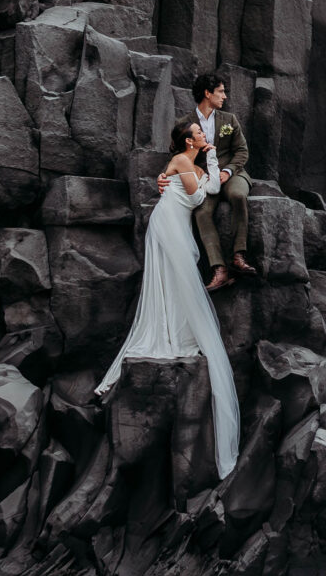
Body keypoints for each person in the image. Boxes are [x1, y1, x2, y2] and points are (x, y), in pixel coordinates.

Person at [93, 117, 239, 480]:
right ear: (189, 141)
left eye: (202, 133)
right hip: (168, 224)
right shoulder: (183, 161)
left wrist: (211, 161)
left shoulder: (186, 162)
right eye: (199, 133)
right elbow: (199, 195)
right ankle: (168, 333)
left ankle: (175, 328)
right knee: (178, 278)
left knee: (178, 281)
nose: (203, 135)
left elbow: (204, 188)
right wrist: (207, 165)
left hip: (176, 222)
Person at [189, 71, 252, 291]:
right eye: (221, 91)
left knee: (237, 195)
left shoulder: (229, 119)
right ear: (207, 93)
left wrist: (227, 170)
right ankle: (220, 269)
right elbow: (179, 155)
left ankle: (238, 255)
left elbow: (242, 151)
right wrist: (198, 175)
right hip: (205, 179)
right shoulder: (185, 123)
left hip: (232, 174)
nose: (224, 96)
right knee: (202, 213)